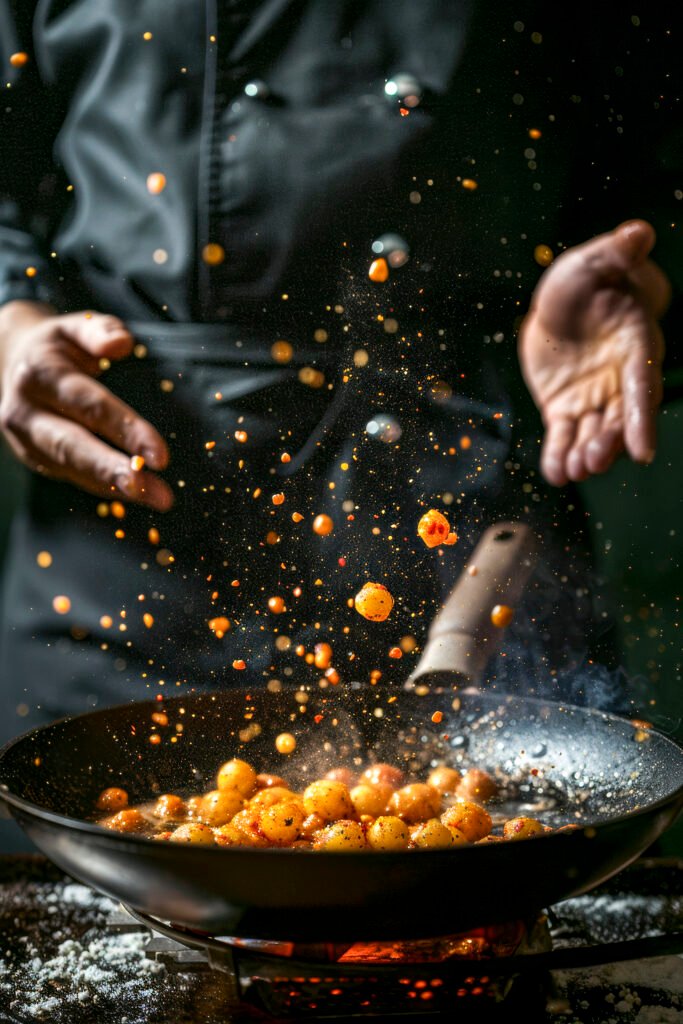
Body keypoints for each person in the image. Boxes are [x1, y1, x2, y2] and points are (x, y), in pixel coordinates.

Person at [0, 0, 677, 745]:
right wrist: (10, 317)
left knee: (498, 824)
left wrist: (644, 285)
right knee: (101, 835)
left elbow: (661, 172)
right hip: (131, 565)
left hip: (474, 538)